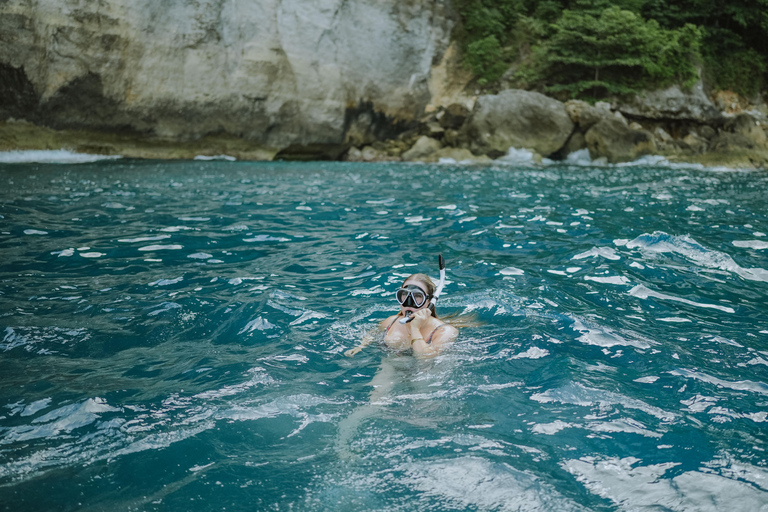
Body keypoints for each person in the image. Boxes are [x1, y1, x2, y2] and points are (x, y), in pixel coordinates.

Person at [344, 273, 458, 358]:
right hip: (391, 366)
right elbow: (374, 332)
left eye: (418, 296)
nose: (409, 301)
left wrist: (415, 327)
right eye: (404, 294)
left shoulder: (445, 331)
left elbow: (424, 357)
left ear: (428, 301)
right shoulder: (391, 321)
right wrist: (361, 346)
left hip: (426, 374)